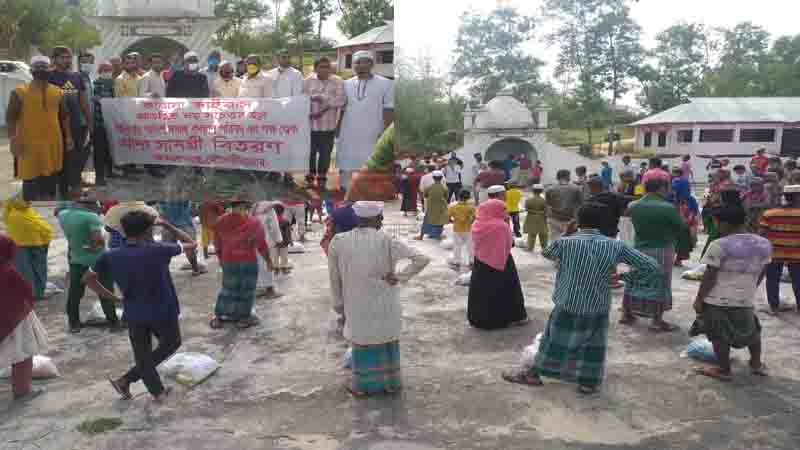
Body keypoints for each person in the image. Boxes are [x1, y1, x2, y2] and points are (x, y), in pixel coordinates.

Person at [502, 202, 659, 394]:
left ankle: (534, 375)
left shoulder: (566, 242)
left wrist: (567, 233)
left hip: (568, 301)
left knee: (554, 341)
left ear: (577, 221)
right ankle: (588, 382)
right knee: (593, 344)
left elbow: (547, 252)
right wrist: (623, 277)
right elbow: (651, 266)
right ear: (601, 223)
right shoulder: (615, 245)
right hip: (597, 303)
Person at [85, 211, 191, 402]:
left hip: (134, 311)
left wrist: (113, 298)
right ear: (149, 229)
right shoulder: (159, 250)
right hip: (162, 309)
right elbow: (191, 243)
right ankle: (130, 380)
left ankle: (150, 389)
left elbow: (88, 279)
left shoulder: (111, 255)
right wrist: (167, 225)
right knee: (171, 343)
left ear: (124, 230)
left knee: (142, 353)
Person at [328, 201, 430, 397]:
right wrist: (400, 277)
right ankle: (391, 384)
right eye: (380, 216)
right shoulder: (388, 239)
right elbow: (422, 259)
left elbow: (335, 278)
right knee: (386, 339)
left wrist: (338, 304)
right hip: (385, 301)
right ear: (376, 219)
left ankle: (364, 388)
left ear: (357, 218)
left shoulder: (339, 241)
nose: (382, 220)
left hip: (356, 303)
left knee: (363, 341)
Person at [692, 205, 769, 382]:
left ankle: (724, 369)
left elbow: (709, 276)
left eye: (716, 223)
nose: (716, 227)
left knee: (718, 335)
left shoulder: (719, 245)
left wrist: (699, 299)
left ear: (724, 223)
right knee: (752, 330)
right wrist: (752, 288)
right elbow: (763, 270)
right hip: (745, 298)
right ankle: (756, 364)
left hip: (717, 299)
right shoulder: (764, 244)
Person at [621, 179, 686, 331]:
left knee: (634, 279)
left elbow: (627, 224)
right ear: (661, 188)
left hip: (639, 248)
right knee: (660, 282)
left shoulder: (633, 205)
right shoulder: (667, 208)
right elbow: (681, 227)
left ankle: (626, 313)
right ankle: (656, 321)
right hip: (662, 249)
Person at [6, 56, 72, 200]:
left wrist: (68, 137)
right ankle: (29, 207)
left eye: (44, 67)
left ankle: (48, 202)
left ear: (49, 70)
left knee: (51, 176)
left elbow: (65, 116)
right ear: (31, 70)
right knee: (30, 179)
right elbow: (11, 118)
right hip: (28, 142)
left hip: (53, 142)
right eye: (38, 67)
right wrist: (13, 139)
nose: (41, 69)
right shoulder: (19, 92)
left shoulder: (58, 92)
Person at [58, 195, 120, 333]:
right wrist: (95, 246)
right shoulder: (91, 217)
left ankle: (73, 323)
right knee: (105, 291)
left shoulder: (63, 214)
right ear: (91, 204)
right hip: (97, 261)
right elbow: (98, 243)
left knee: (74, 293)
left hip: (76, 260)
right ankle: (113, 322)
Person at [210, 199, 274, 329]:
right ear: (245, 206)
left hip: (228, 260)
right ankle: (244, 319)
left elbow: (217, 244)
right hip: (247, 261)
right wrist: (268, 261)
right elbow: (261, 245)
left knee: (228, 289)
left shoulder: (220, 221)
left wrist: (221, 260)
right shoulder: (254, 222)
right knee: (247, 290)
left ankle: (219, 316)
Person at [0, 234, 50, 402]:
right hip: (16, 319)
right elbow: (27, 291)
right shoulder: (8, 270)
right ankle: (22, 390)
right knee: (22, 355)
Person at [335, 51, 394, 192]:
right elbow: (342, 108)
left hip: (373, 129)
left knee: (371, 159)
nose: (360, 65)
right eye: (357, 62)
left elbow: (389, 109)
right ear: (353, 65)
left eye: (364, 62)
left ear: (371, 64)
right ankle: (345, 187)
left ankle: (370, 188)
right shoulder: (346, 83)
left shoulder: (386, 83)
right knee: (346, 156)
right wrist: (338, 127)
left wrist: (386, 132)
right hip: (348, 128)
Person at [468, 199, 528, 329]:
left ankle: (480, 320)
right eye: (503, 210)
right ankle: (510, 318)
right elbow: (510, 244)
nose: (505, 212)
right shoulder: (501, 226)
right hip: (502, 261)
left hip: (481, 262)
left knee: (482, 292)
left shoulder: (477, 224)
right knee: (507, 290)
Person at [50, 46, 91, 197]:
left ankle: (75, 183)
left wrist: (89, 122)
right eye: (63, 57)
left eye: (68, 57)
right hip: (55, 124)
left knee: (78, 155)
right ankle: (63, 187)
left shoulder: (76, 77)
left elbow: (83, 101)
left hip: (76, 123)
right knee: (61, 157)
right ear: (54, 59)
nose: (67, 60)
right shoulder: (48, 76)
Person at [304, 56, 345, 190]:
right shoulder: (308, 81)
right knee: (309, 153)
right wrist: (309, 106)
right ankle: (310, 178)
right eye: (322, 67)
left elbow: (341, 100)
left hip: (329, 125)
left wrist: (324, 104)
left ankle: (322, 178)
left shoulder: (337, 81)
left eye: (327, 67)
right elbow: (301, 99)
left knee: (325, 153)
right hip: (310, 125)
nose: (325, 69)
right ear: (315, 68)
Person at [760, 184, 800, 314]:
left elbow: (762, 234)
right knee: (798, 281)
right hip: (797, 254)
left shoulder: (770, 214)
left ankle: (774, 307)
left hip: (774, 253)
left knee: (772, 280)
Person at [2, 197, 53, 299]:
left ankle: (32, 293)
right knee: (37, 269)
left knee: (25, 269)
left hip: (23, 241)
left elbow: (6, 218)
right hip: (35, 241)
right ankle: (36, 293)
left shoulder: (11, 209)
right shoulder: (20, 207)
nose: (30, 201)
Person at [158, 201, 206, 275]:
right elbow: (194, 211)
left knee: (166, 251)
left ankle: (162, 272)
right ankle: (195, 269)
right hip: (185, 223)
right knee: (190, 248)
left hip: (168, 224)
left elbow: (160, 210)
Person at [91, 62, 119, 185]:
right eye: (105, 70)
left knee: (109, 149)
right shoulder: (95, 84)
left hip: (111, 123)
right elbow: (94, 99)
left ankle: (110, 171)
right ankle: (99, 177)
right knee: (99, 151)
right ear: (100, 71)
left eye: (109, 70)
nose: (107, 72)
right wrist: (101, 101)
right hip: (98, 123)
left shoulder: (113, 83)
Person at [251, 201, 284, 299]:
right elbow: (274, 227)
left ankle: (259, 289)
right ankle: (270, 290)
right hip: (266, 241)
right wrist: (279, 240)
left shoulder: (252, 208)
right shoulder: (269, 210)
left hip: (252, 241)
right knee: (268, 264)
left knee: (257, 264)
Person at [545, 169, 583, 241]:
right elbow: (581, 205)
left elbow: (547, 205)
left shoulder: (550, 189)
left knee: (555, 242)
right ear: (567, 177)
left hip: (554, 219)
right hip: (570, 221)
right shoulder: (576, 189)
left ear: (557, 177)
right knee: (570, 243)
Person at [672, 174, 700, 267]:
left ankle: (678, 259)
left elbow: (694, 212)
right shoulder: (688, 198)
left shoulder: (687, 199)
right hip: (679, 223)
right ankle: (676, 259)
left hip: (682, 224)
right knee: (678, 242)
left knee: (681, 242)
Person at [448, 189, 476, 270]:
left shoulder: (453, 207)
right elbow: (475, 217)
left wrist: (453, 221)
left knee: (457, 246)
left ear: (458, 196)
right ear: (468, 198)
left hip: (457, 229)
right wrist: (471, 222)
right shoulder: (471, 207)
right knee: (470, 246)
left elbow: (448, 218)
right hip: (468, 229)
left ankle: (457, 262)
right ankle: (472, 261)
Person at [417, 171, 449, 240]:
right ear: (441, 178)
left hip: (431, 207)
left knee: (427, 221)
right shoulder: (444, 188)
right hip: (441, 207)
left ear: (433, 178)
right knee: (440, 222)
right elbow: (446, 197)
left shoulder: (429, 187)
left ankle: (421, 236)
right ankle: (437, 235)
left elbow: (425, 195)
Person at [524, 184, 548, 252]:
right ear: (541, 191)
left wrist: (533, 211)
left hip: (531, 218)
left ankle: (530, 248)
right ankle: (545, 248)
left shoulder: (528, 200)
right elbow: (546, 211)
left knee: (531, 234)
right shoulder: (543, 200)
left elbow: (526, 209)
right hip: (541, 218)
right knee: (543, 234)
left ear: (532, 191)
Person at [272, 203, 293, 273]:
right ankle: (284, 268)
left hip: (274, 241)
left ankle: (276, 269)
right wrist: (290, 241)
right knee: (284, 256)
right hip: (284, 241)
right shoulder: (285, 221)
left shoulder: (271, 221)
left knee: (275, 255)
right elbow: (288, 232)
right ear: (283, 211)